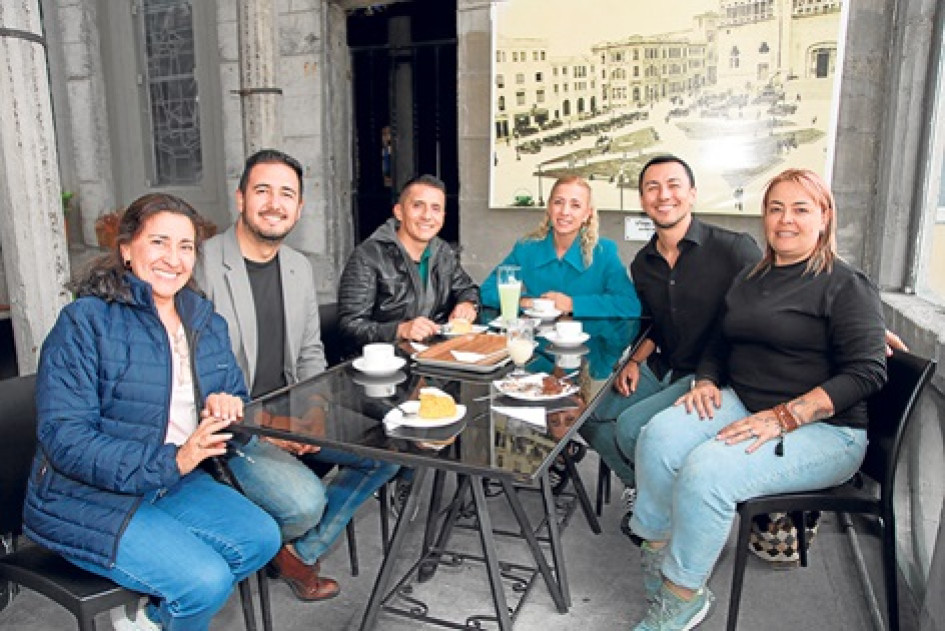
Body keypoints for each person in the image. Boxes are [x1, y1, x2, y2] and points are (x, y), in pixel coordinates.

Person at [628, 169, 887, 630]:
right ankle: (659, 551)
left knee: (708, 470)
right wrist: (706, 380)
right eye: (775, 208)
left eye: (800, 209)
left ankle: (683, 595)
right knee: (659, 435)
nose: (785, 219)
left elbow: (868, 371)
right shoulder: (752, 275)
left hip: (826, 431)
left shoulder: (846, 284)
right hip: (745, 401)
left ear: (824, 218)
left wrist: (786, 416)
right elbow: (720, 342)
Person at [23, 193, 281, 631]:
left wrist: (227, 404)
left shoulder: (204, 320)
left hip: (171, 480)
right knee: (204, 580)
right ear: (126, 248)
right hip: (83, 495)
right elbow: (65, 437)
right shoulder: (84, 322)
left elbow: (233, 390)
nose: (173, 258)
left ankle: (150, 620)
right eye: (159, 242)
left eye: (185, 246)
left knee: (262, 538)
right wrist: (172, 461)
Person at [196, 149, 399, 602]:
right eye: (262, 190)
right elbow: (192, 374)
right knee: (304, 503)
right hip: (232, 427)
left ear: (300, 207)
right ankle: (252, 540)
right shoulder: (202, 265)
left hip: (288, 409)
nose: (275, 203)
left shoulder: (298, 267)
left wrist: (311, 412)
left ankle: (300, 553)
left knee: (392, 451)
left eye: (287, 193)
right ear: (240, 198)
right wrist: (268, 432)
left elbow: (310, 353)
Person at [580, 155, 761, 530]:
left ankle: (669, 508)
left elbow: (783, 290)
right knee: (586, 417)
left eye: (674, 185)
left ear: (692, 194)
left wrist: (865, 318)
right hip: (664, 364)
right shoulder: (644, 263)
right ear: (643, 200)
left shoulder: (734, 249)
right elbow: (653, 328)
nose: (664, 195)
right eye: (652, 187)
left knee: (630, 428)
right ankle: (644, 488)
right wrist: (632, 362)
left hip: (714, 376)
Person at [338, 174, 479, 345]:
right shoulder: (368, 256)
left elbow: (467, 288)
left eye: (436, 208)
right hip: (385, 362)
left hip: (433, 354)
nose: (427, 216)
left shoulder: (442, 252)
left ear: (443, 215)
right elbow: (350, 326)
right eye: (418, 206)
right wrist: (400, 330)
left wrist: (467, 303)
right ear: (399, 212)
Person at [480, 174, 641, 318]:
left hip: (590, 345)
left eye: (575, 205)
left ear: (587, 214)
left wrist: (572, 304)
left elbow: (629, 305)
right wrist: (525, 301)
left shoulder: (604, 252)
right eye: (558, 202)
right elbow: (487, 291)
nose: (565, 211)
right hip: (537, 346)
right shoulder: (526, 249)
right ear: (549, 208)